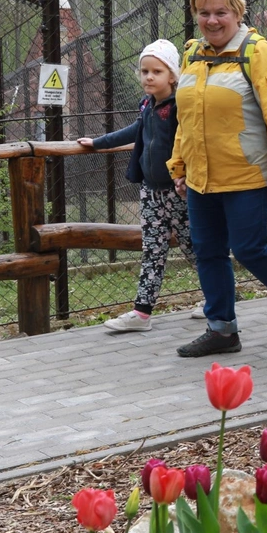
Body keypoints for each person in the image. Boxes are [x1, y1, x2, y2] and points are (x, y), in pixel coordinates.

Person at [169, 0, 267, 358]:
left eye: (221, 12)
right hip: (202, 177)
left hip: (247, 174)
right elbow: (185, 119)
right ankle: (221, 330)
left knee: (249, 248)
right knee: (208, 251)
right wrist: (179, 165)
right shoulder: (191, 54)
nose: (212, 20)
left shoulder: (258, 52)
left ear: (238, 13)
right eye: (204, 13)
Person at [79, 40, 194, 332]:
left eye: (157, 71)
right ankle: (141, 314)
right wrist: (96, 142)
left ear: (172, 76)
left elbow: (193, 143)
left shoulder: (181, 106)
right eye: (144, 71)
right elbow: (134, 131)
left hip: (179, 192)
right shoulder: (147, 106)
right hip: (150, 192)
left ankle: (220, 298)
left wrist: (188, 177)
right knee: (153, 249)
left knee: (196, 249)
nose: (149, 77)